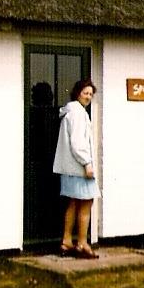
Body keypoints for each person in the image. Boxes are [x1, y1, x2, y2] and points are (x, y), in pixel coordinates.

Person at [52, 78, 101, 259]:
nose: (88, 97)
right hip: (79, 168)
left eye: (90, 94)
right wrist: (87, 163)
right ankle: (82, 243)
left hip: (69, 169)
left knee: (73, 203)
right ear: (77, 93)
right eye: (85, 93)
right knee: (86, 203)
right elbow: (77, 143)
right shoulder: (78, 113)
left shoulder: (70, 112)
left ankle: (66, 242)